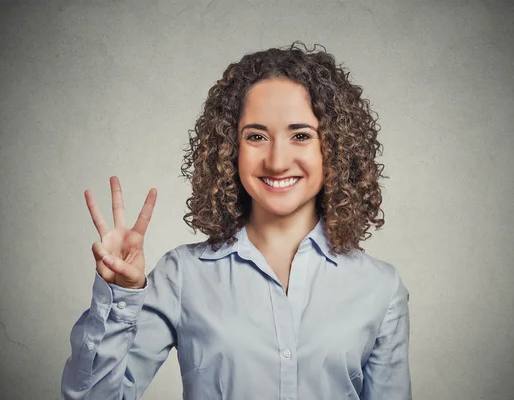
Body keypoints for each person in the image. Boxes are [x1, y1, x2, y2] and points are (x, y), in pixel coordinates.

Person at [61, 41, 412, 399]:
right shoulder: (182, 275)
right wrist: (121, 294)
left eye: (301, 135)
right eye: (256, 136)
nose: (277, 161)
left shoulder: (380, 287)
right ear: (229, 147)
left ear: (335, 147)